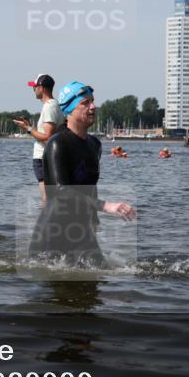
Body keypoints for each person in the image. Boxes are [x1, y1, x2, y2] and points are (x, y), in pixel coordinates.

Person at [28, 82, 136, 267]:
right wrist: (106, 206)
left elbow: (89, 185)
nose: (93, 107)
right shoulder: (57, 144)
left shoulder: (95, 145)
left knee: (101, 274)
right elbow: (60, 192)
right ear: (69, 109)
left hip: (81, 229)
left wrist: (93, 219)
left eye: (93, 101)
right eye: (85, 103)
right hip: (53, 232)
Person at [13, 74, 64, 200]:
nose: (33, 90)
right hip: (46, 158)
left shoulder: (49, 106)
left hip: (44, 158)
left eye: (35, 87)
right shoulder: (52, 105)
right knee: (50, 199)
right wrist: (30, 127)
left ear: (42, 88)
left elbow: (48, 138)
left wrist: (28, 129)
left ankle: (46, 218)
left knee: (47, 200)